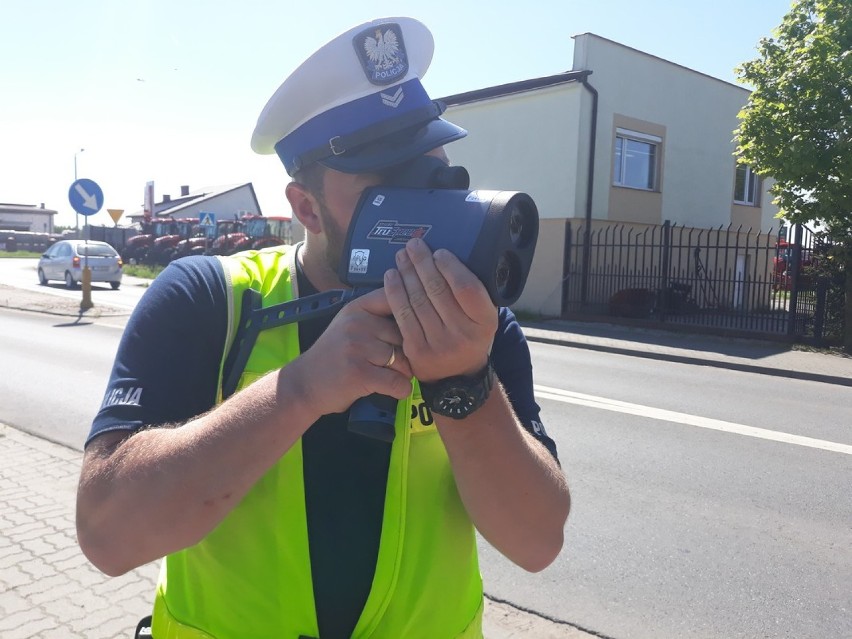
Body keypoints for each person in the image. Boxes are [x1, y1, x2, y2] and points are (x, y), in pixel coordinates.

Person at [76, 17, 570, 639]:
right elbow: (108, 537)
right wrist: (301, 390)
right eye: (393, 182)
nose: (431, 202)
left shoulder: (479, 325)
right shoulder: (211, 298)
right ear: (305, 207)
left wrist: (462, 383)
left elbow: (536, 543)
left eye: (437, 175)